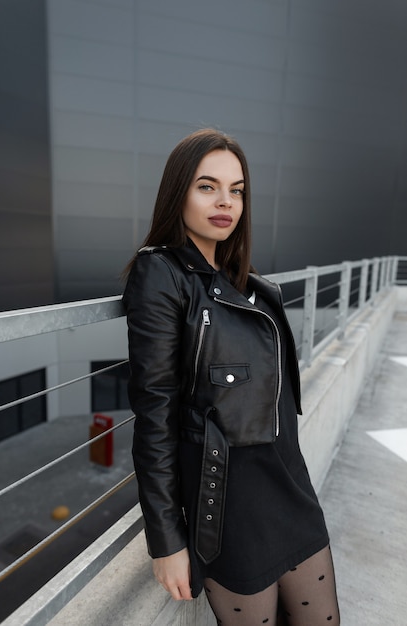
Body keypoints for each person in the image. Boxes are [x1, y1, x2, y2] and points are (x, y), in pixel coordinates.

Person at [122, 128, 340, 625]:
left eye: (236, 189)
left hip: (289, 487)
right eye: (207, 186)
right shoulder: (162, 273)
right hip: (229, 505)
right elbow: (154, 412)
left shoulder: (247, 284)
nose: (226, 201)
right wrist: (166, 539)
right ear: (178, 192)